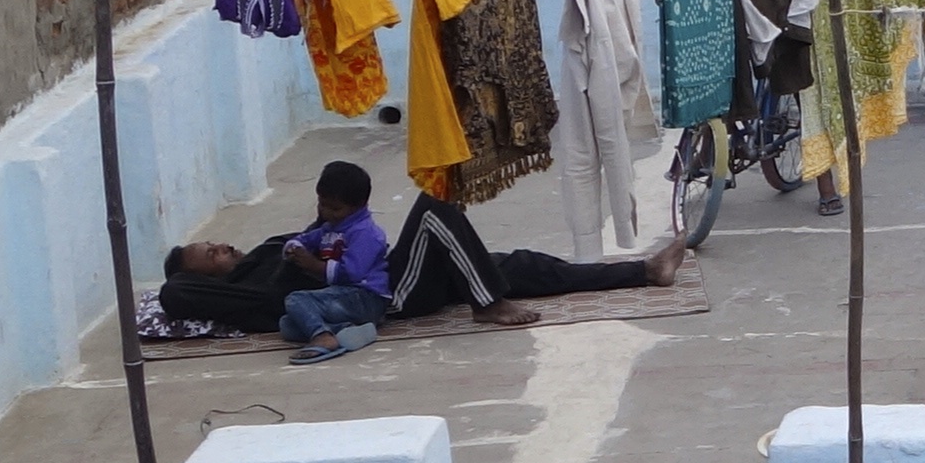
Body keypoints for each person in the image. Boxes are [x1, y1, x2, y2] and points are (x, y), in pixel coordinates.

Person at [277, 158, 675, 364]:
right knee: (434, 206)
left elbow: (339, 248)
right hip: (394, 296)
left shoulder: (337, 226)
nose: (324, 212)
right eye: (323, 205)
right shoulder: (303, 247)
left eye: (332, 207)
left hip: (397, 274)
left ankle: (645, 271)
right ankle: (487, 303)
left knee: (524, 266)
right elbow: (322, 279)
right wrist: (305, 261)